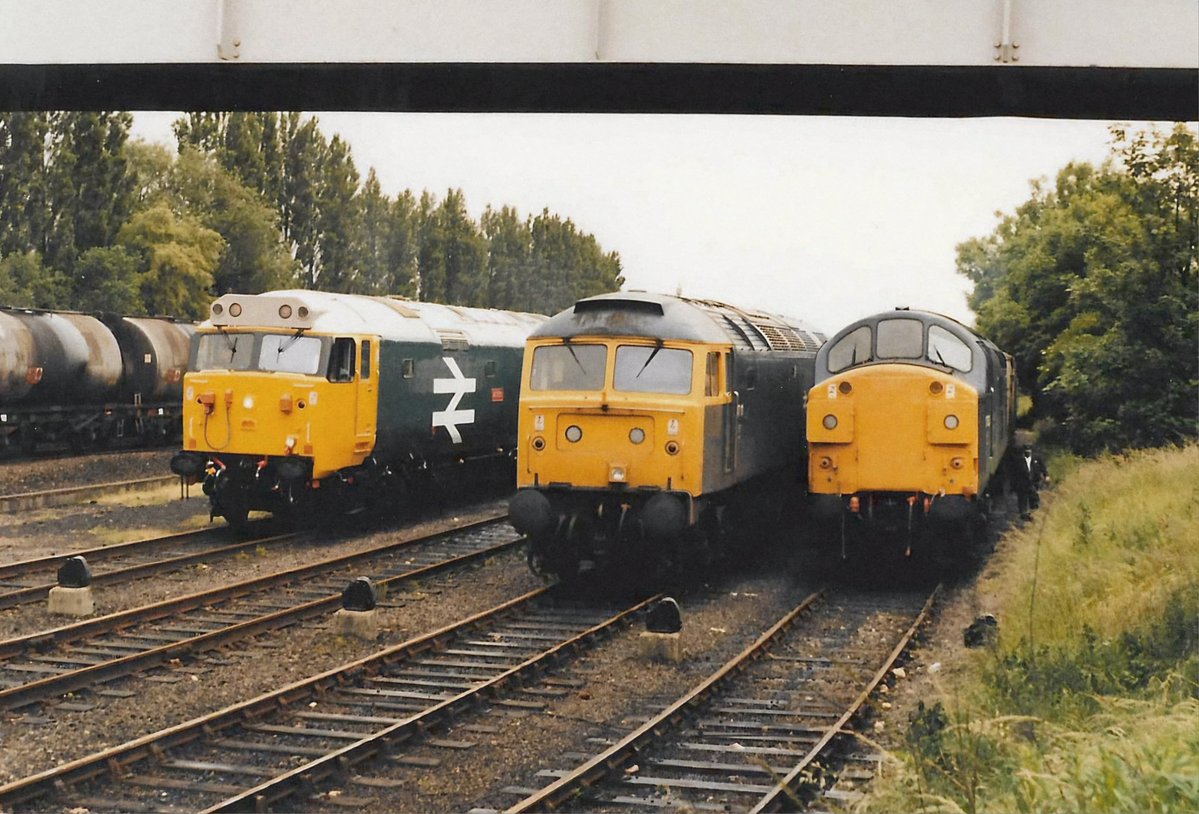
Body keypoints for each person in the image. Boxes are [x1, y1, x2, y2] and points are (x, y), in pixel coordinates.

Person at [1007, 443, 1049, 520]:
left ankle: (1031, 511)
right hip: (1022, 482)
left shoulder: (1036, 459)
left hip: (1034, 481)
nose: (1028, 452)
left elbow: (1043, 467)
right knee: (1022, 498)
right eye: (1026, 451)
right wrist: (1013, 484)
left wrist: (1046, 475)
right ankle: (1023, 513)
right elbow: (1013, 472)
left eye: (1029, 451)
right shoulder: (1018, 460)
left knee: (1033, 496)